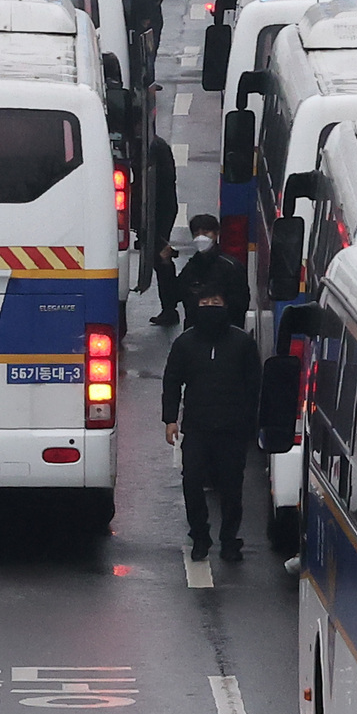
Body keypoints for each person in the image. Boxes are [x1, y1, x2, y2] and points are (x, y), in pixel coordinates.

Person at [162, 292, 261, 561]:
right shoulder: (186, 343)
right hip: (196, 427)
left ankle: (230, 539)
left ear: (226, 306)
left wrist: (251, 423)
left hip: (232, 428)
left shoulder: (242, 343)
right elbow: (172, 381)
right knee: (192, 481)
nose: (209, 309)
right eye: (204, 304)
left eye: (215, 304)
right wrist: (170, 419)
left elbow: (254, 385)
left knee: (231, 487)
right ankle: (200, 535)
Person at [174, 214, 249, 326]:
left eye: (205, 233)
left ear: (216, 234)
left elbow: (240, 304)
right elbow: (175, 295)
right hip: (196, 330)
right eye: (196, 234)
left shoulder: (231, 267)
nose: (201, 237)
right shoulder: (191, 267)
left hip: (226, 330)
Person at [148, 136, 182, 325]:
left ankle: (170, 307)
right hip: (161, 209)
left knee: (161, 258)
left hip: (160, 210)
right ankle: (169, 306)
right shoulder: (157, 145)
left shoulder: (155, 148)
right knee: (159, 259)